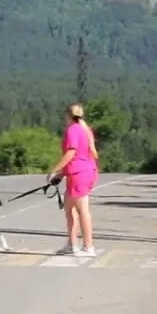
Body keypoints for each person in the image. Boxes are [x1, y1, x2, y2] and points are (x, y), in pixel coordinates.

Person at [47, 102, 99, 256]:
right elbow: (81, 155)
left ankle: (88, 247)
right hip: (82, 172)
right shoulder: (85, 129)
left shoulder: (73, 130)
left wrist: (54, 169)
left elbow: (71, 153)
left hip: (79, 174)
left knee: (82, 209)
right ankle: (72, 244)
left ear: (68, 115)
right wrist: (61, 174)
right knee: (70, 208)